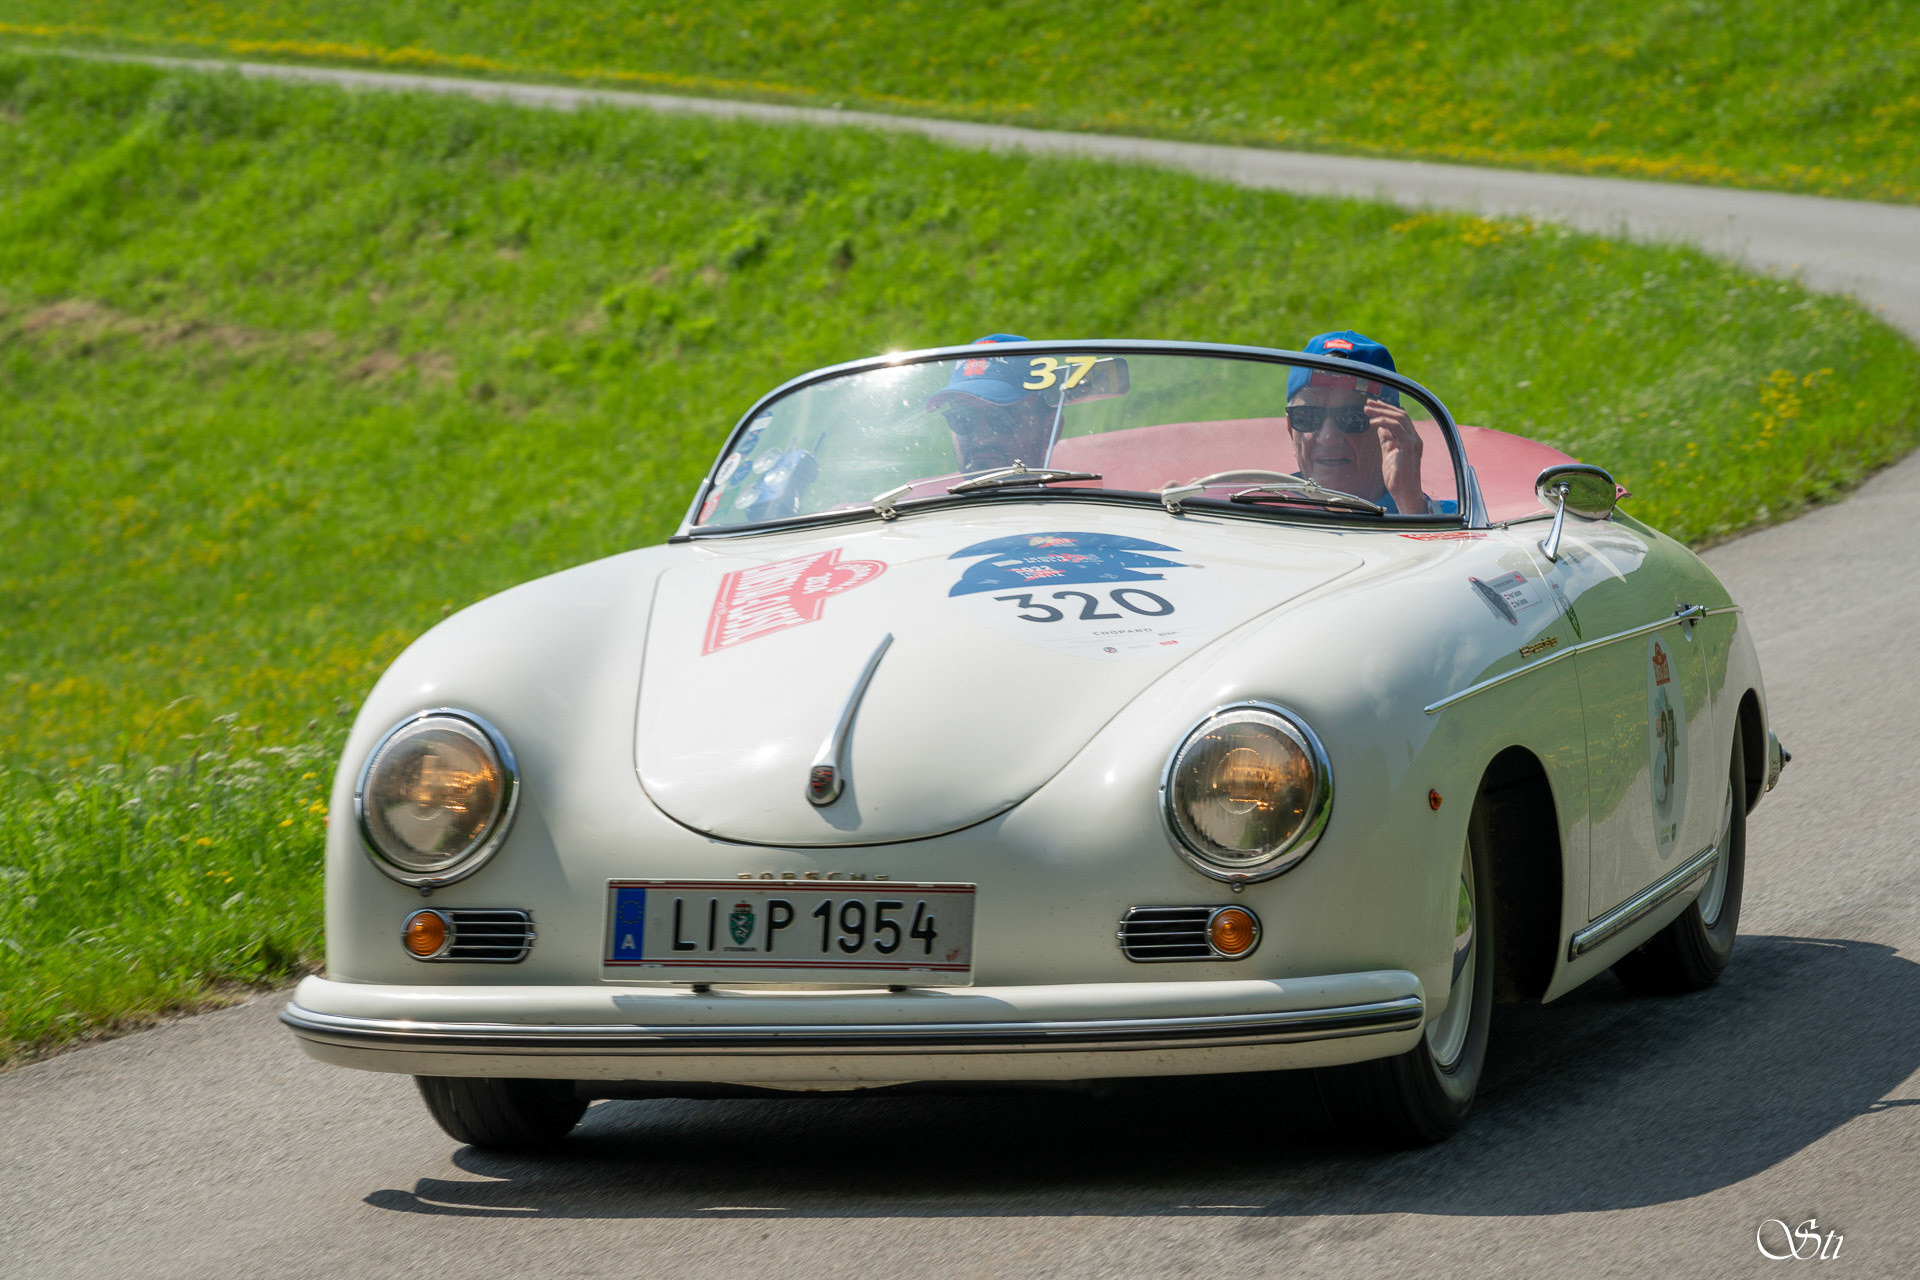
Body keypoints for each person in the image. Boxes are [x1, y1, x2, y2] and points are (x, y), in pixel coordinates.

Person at [1287, 330, 1441, 514]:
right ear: (1291, 430)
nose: (1328, 438)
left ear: (1392, 431)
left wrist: (1410, 504)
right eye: (1308, 417)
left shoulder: (1451, 521)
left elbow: (1437, 541)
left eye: (1351, 418)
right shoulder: (1257, 502)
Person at [924, 334, 1058, 473]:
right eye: (962, 420)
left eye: (1002, 419)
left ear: (1050, 428)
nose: (981, 439)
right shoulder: (915, 492)